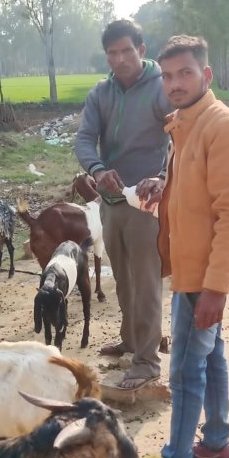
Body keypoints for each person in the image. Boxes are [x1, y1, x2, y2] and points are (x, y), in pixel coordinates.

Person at [130, 35, 229, 458]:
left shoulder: (223, 127)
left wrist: (215, 289)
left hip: (203, 276)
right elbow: (197, 186)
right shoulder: (186, 124)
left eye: (185, 73)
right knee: (211, 355)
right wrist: (163, 184)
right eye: (167, 76)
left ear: (206, 75)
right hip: (191, 268)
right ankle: (217, 442)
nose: (175, 84)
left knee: (185, 370)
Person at [75, 19, 171, 390]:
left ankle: (147, 361)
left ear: (141, 50)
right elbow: (85, 139)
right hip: (112, 200)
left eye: (126, 50)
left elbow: (179, 136)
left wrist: (162, 177)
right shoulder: (101, 94)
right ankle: (130, 340)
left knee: (146, 281)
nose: (119, 59)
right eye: (112, 53)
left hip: (147, 203)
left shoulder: (161, 88)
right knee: (123, 278)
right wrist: (98, 170)